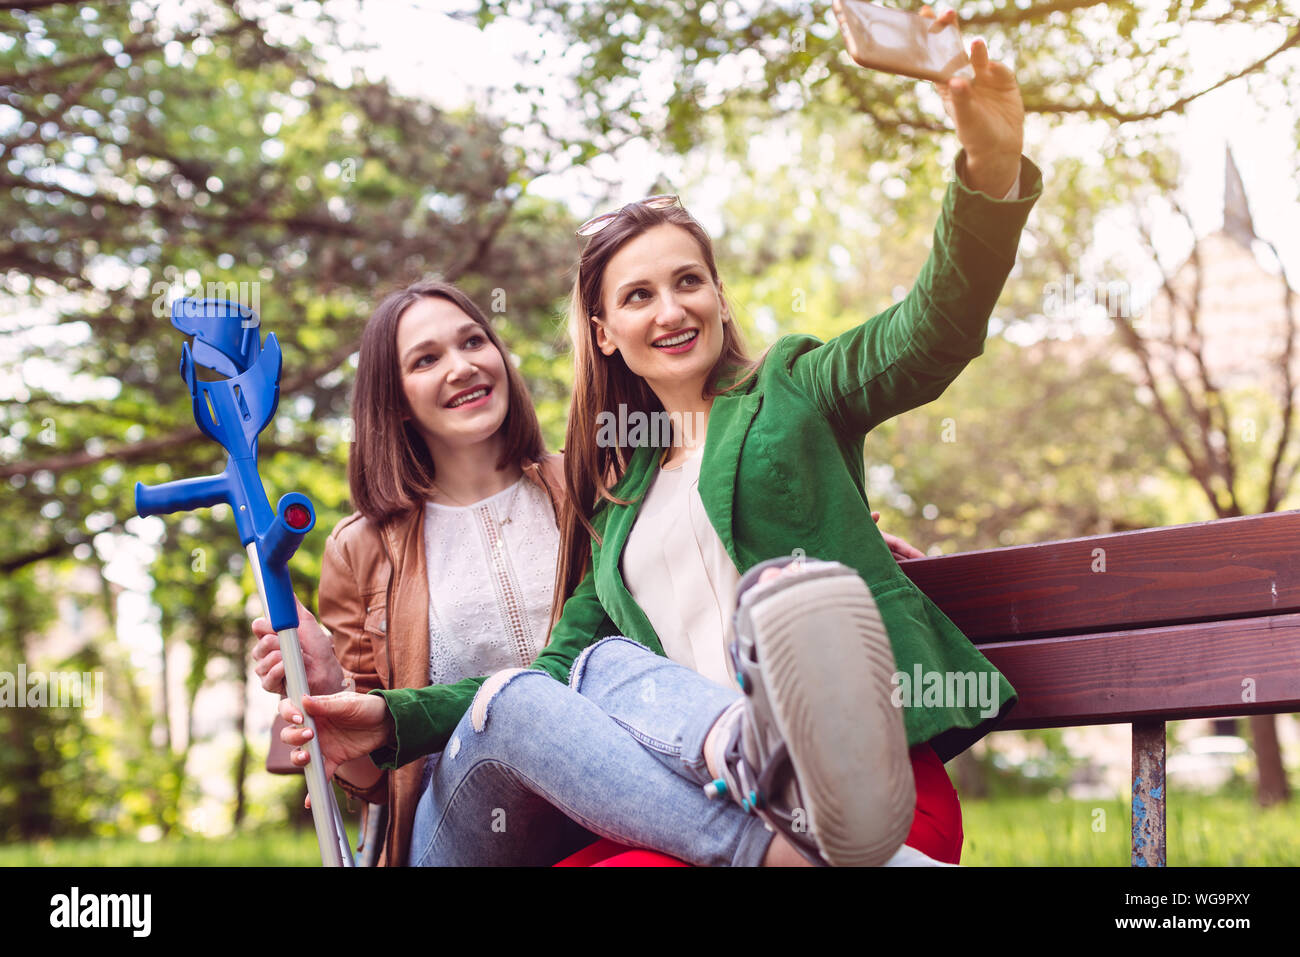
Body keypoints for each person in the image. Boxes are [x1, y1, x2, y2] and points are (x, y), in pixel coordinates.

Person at [279, 7, 1040, 866]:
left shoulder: (795, 390)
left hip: (863, 794)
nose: (671, 309)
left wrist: (988, 164)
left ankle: (803, 807)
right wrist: (387, 717)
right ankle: (760, 804)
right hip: (696, 800)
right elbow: (547, 674)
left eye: (688, 282)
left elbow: (930, 330)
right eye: (638, 296)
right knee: (582, 668)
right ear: (603, 330)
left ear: (718, 295)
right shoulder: (616, 500)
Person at [251, 278, 570, 866]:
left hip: (608, 794)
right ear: (394, 400)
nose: (462, 366)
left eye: (474, 342)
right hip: (461, 834)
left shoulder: (583, 488)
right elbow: (375, 778)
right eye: (427, 359)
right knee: (505, 712)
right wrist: (325, 687)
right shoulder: (362, 548)